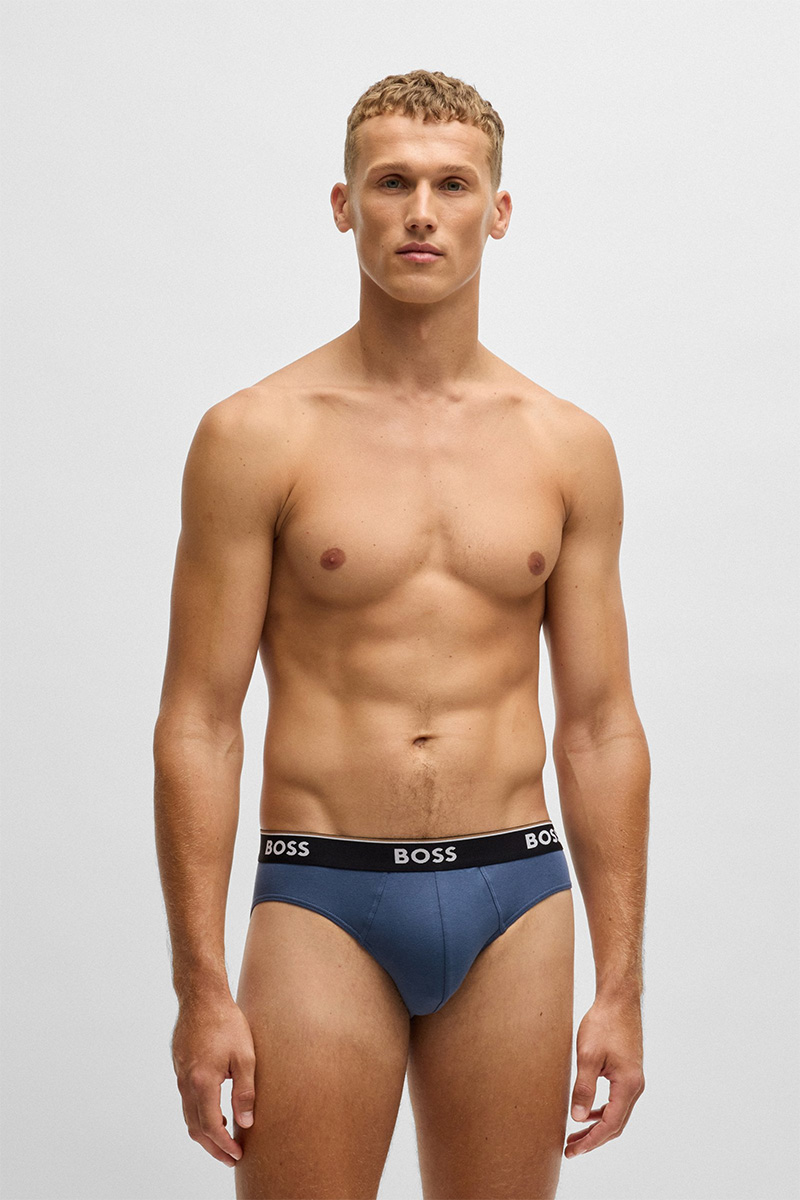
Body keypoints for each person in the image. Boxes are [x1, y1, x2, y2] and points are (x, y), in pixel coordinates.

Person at [153, 68, 650, 1200]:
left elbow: (599, 726)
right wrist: (200, 985)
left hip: (515, 894)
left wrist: (621, 984)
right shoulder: (255, 435)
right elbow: (198, 721)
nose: (421, 212)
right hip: (323, 894)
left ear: (497, 211)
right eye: (391, 183)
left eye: (451, 185)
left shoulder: (566, 446)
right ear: (344, 205)